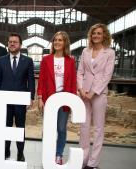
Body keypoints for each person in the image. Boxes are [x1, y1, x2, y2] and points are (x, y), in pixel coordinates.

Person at [78, 23, 115, 169]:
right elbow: (80, 71)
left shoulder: (109, 53)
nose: (96, 36)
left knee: (98, 129)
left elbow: (107, 75)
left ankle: (93, 163)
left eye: (99, 33)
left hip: (99, 94)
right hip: (84, 93)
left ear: (104, 35)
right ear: (90, 36)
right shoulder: (85, 51)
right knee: (84, 127)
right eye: (94, 33)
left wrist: (93, 92)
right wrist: (81, 89)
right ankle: (83, 160)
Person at [37, 31, 77, 165]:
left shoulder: (70, 61)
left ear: (65, 43)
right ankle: (48, 153)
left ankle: (58, 154)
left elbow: (73, 82)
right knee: (48, 129)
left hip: (64, 99)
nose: (57, 42)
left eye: (60, 40)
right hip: (49, 99)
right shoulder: (46, 59)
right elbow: (41, 79)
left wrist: (72, 102)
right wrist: (40, 98)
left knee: (61, 128)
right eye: (55, 40)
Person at [0, 33, 35, 161]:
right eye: (10, 42)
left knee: (20, 127)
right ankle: (5, 151)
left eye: (15, 42)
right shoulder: (1, 60)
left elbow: (31, 81)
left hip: (20, 101)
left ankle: (20, 152)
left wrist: (31, 97)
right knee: (5, 126)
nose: (12, 44)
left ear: (20, 45)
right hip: (4, 101)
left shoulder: (27, 61)